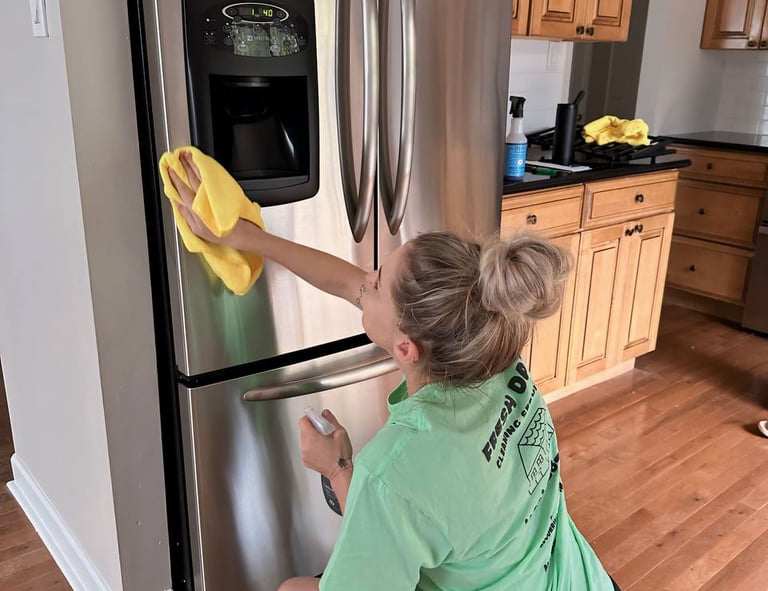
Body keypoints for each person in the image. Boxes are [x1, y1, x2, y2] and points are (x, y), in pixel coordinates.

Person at [169, 152, 620, 591]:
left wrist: (339, 468)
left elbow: (398, 503)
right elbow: (348, 282)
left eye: (377, 281)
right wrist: (246, 237)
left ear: (405, 347)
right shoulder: (493, 355)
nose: (364, 281)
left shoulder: (396, 470)